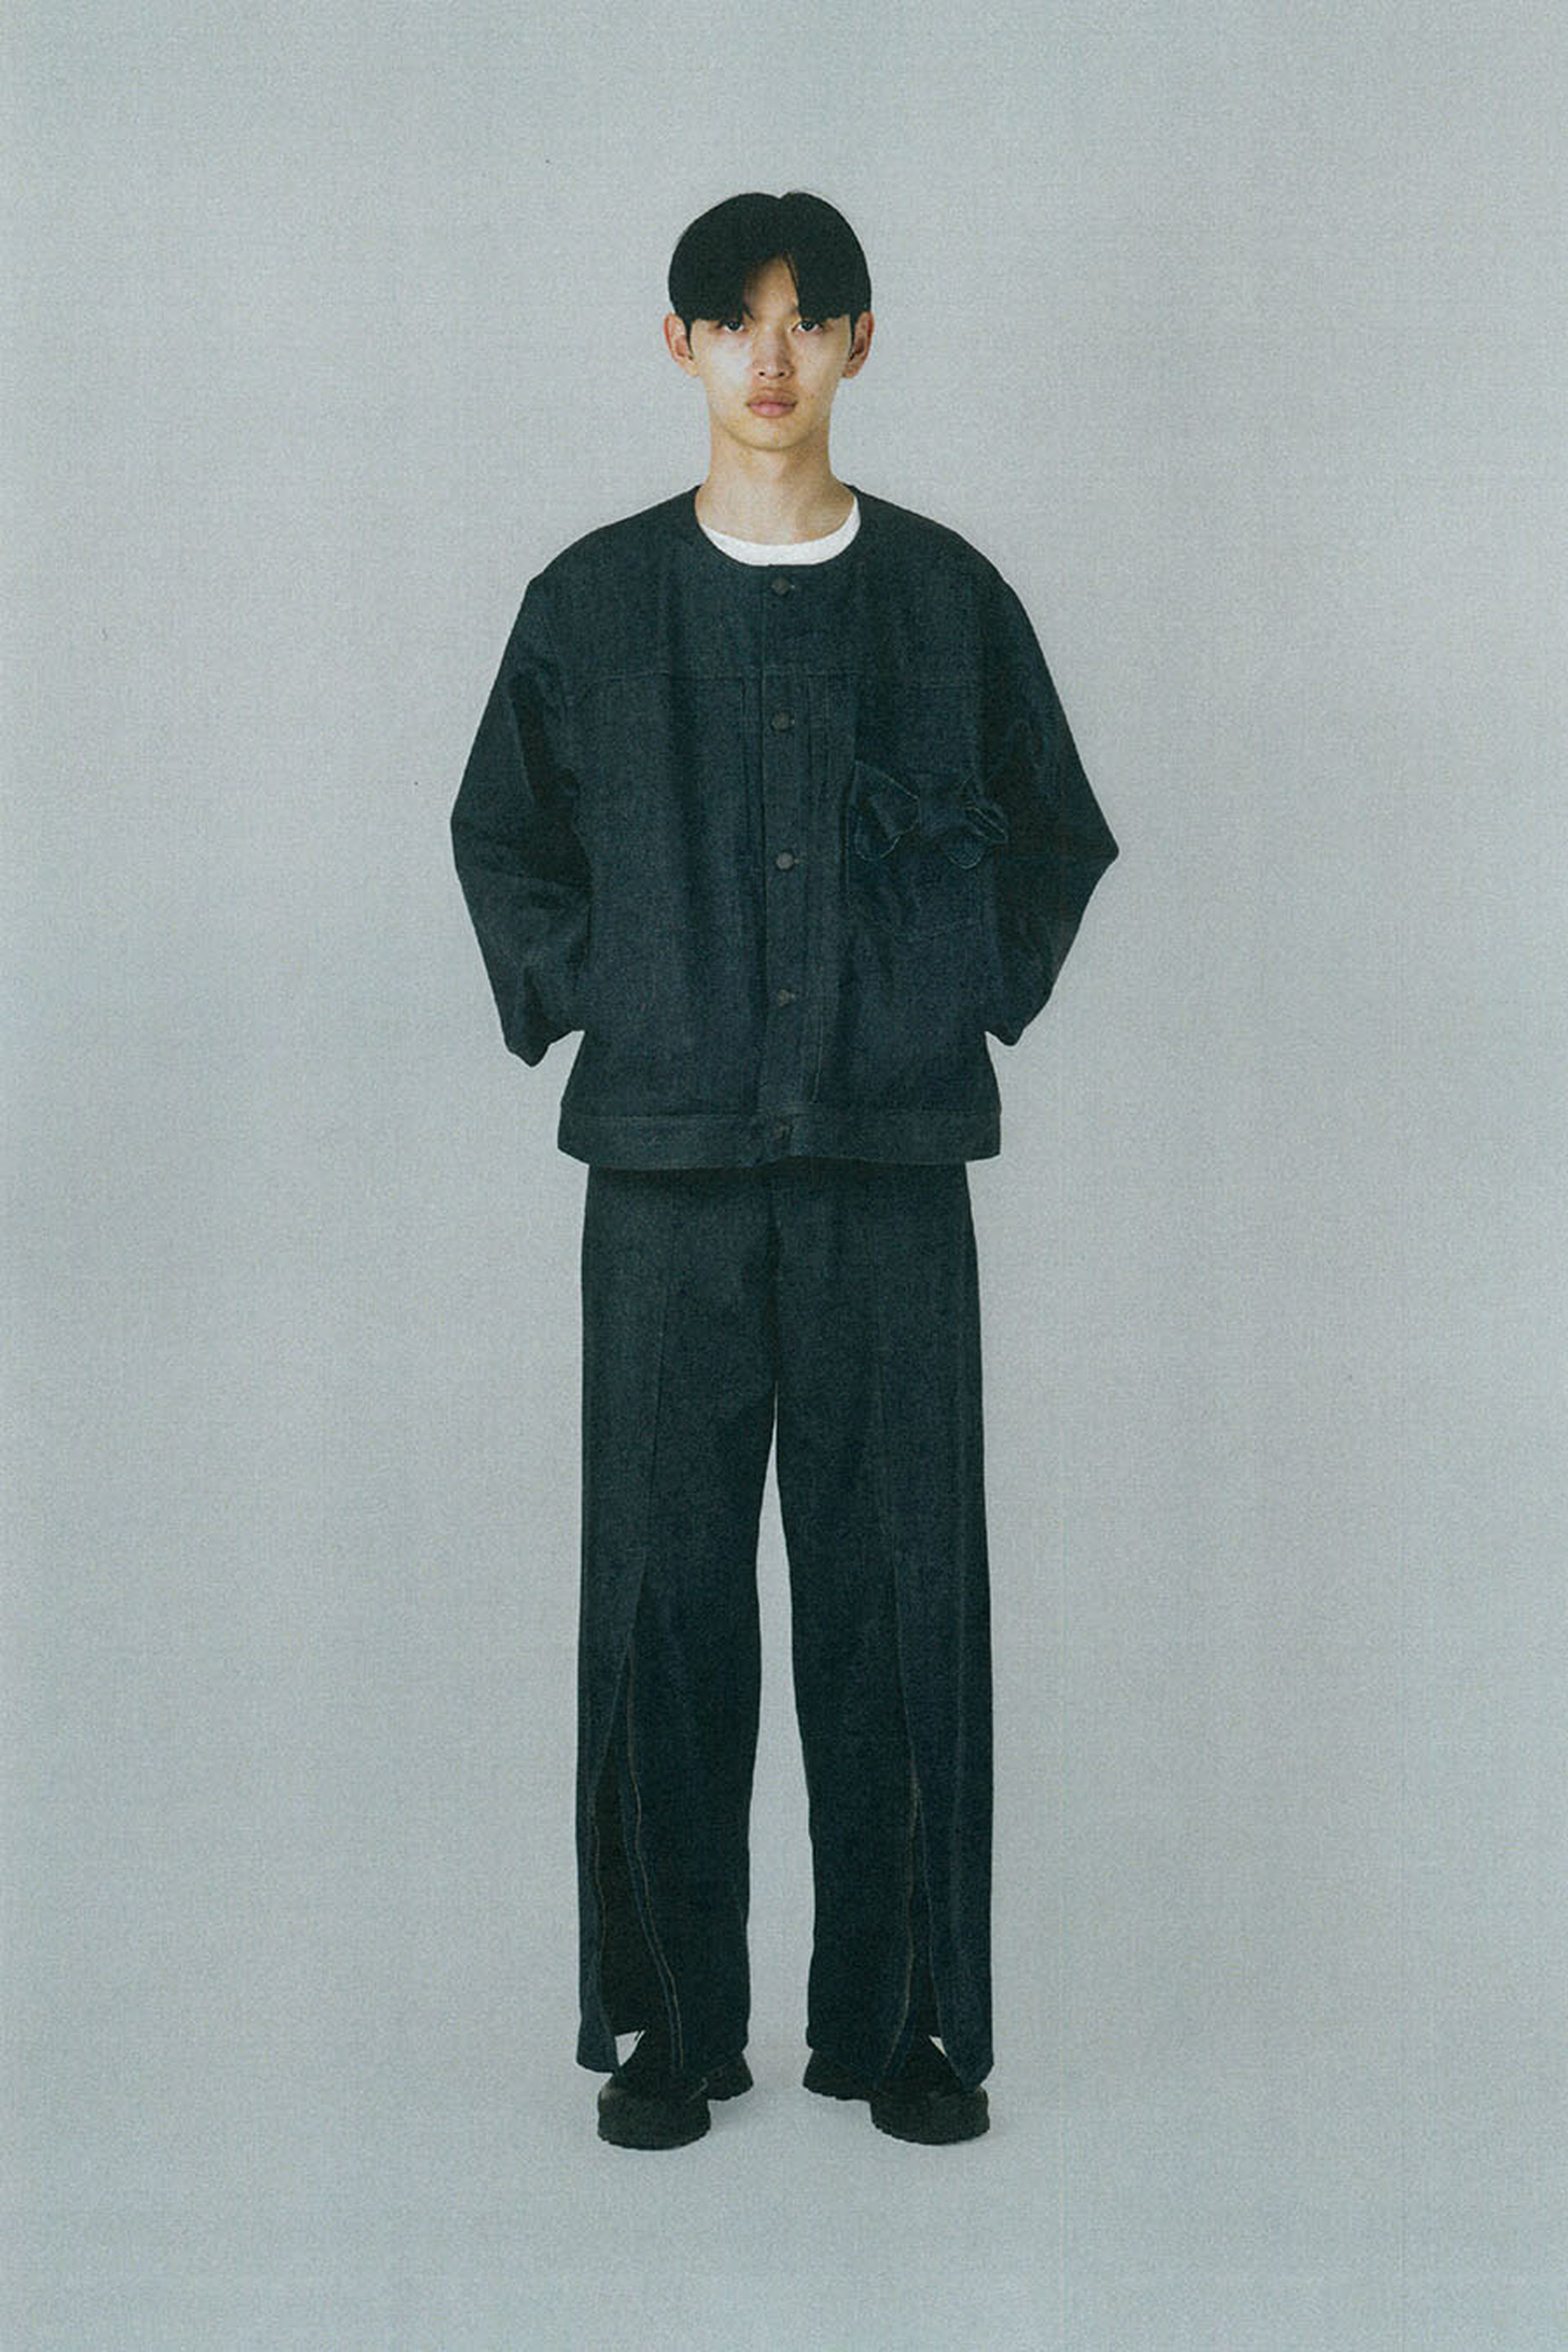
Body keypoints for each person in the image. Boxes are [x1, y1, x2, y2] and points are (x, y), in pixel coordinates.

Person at [451, 190, 1117, 2151]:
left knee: (899, 1594)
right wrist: (613, 994)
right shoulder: (589, 606)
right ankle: (669, 2026)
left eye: (807, 319)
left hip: (887, 1171)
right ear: (675, 345)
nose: (770, 356)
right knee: (662, 1599)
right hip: (663, 1178)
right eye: (733, 320)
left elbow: (1053, 836)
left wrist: (951, 999)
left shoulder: (947, 603)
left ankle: (903, 2026)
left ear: (859, 343)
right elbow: (504, 838)